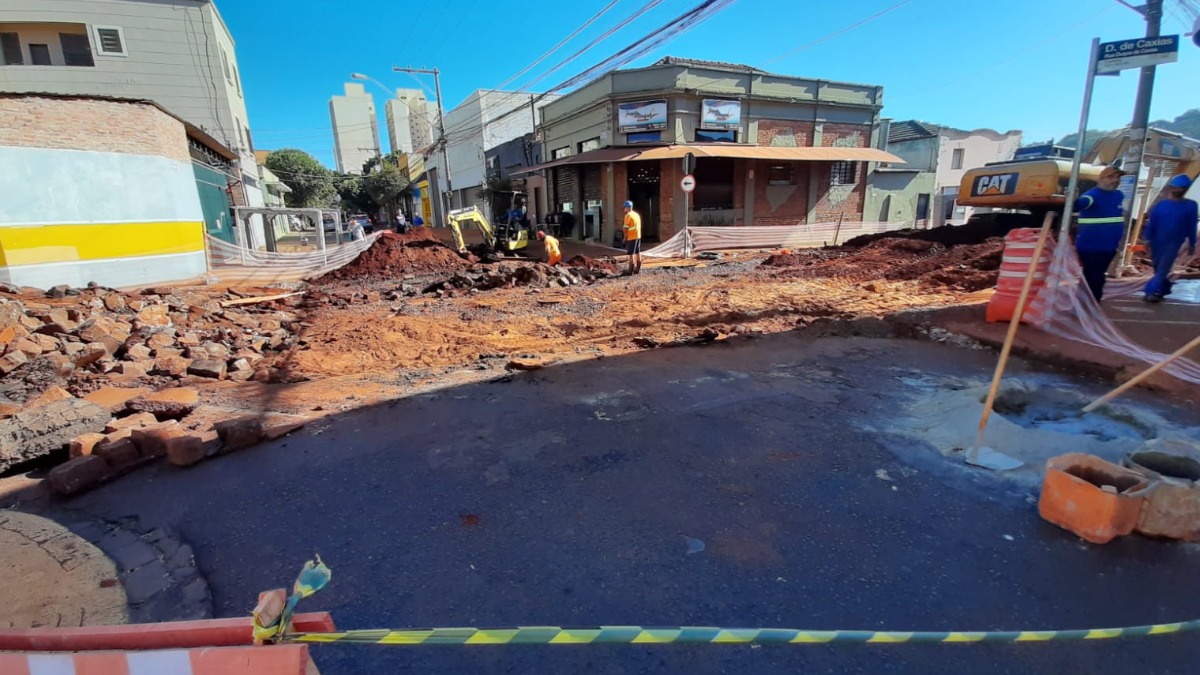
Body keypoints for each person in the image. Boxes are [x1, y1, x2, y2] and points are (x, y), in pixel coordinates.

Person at [1141, 173, 1198, 303]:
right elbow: (1152, 223)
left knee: (1163, 268)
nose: (1178, 190)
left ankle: (1151, 291)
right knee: (1157, 267)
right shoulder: (1161, 205)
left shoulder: (1191, 206)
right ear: (1171, 188)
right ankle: (1165, 288)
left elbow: (1192, 225)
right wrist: (1147, 239)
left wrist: (1192, 244)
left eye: (1181, 188)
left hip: (1174, 242)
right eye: (1176, 187)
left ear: (1185, 190)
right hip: (1157, 241)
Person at [1073, 166, 1127, 302]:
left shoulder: (1119, 195)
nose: (1115, 180)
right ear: (1101, 179)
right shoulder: (1092, 195)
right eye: (1111, 177)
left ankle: (1083, 301)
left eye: (1117, 177)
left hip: (1109, 246)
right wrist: (1074, 199)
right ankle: (1092, 302)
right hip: (1091, 245)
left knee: (1093, 274)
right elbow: (1080, 204)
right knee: (1095, 275)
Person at [622, 200, 642, 275]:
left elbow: (625, 228)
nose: (624, 209)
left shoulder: (628, 215)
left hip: (631, 237)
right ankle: (638, 269)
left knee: (631, 253)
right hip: (638, 236)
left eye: (624, 207)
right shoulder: (636, 214)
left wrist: (625, 237)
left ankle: (630, 270)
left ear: (627, 208)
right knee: (638, 252)